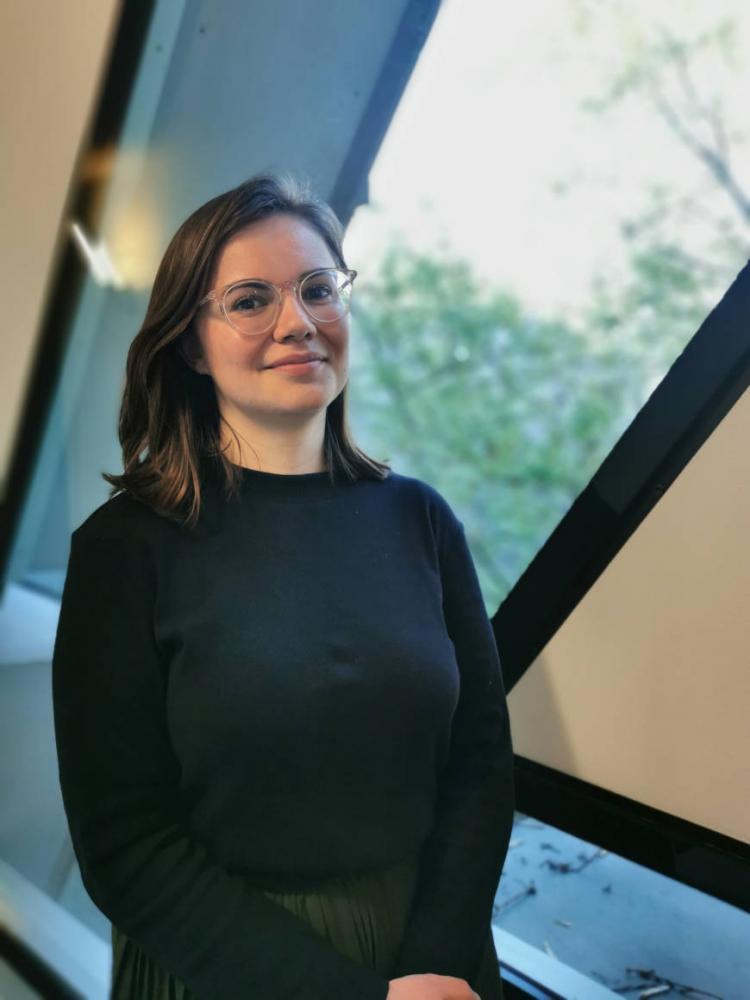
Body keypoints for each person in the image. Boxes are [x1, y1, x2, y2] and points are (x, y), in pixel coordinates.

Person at [51, 172, 515, 1000]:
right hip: (227, 967)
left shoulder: (422, 520)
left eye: (317, 289)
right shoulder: (124, 551)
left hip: (432, 959)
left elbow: (480, 763)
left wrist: (437, 959)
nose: (297, 322)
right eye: (250, 300)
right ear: (190, 344)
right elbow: (125, 844)